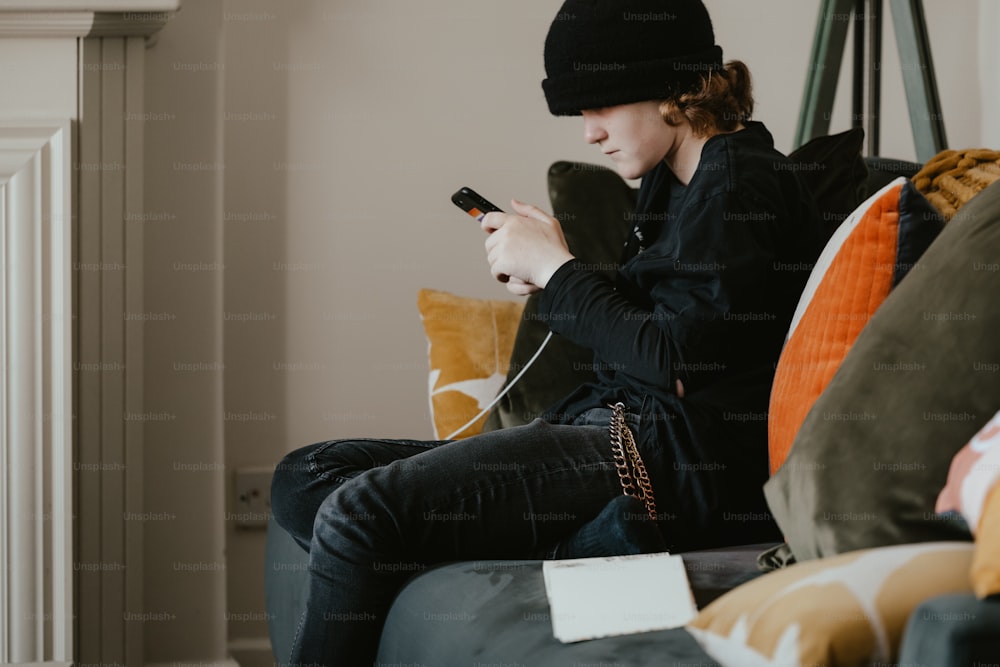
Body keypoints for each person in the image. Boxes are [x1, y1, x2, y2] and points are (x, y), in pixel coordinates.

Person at [270, 0, 823, 664]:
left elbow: (678, 361)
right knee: (305, 473)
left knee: (358, 518)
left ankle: (537, 539)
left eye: (600, 107)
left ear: (670, 86)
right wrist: (558, 271)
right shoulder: (674, 176)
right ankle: (555, 541)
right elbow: (667, 321)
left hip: (659, 451)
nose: (589, 133)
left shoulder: (737, 181)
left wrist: (558, 272)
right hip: (607, 422)